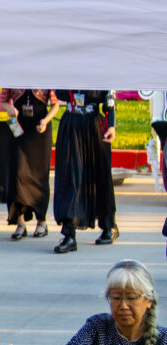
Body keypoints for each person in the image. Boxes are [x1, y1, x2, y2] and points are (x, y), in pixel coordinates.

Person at [52, 90, 117, 253]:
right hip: (70, 125)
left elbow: (109, 96)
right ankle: (69, 234)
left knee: (100, 176)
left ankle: (109, 225)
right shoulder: (66, 66)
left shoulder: (100, 67)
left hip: (93, 125)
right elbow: (59, 92)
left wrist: (111, 124)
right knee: (68, 176)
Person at [2, 89, 60, 240]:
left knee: (39, 174)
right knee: (18, 173)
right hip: (18, 128)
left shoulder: (44, 75)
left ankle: (41, 220)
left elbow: (55, 105)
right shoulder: (12, 78)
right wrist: (9, 108)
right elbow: (2, 101)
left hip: (39, 129)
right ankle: (20, 222)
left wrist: (46, 121)